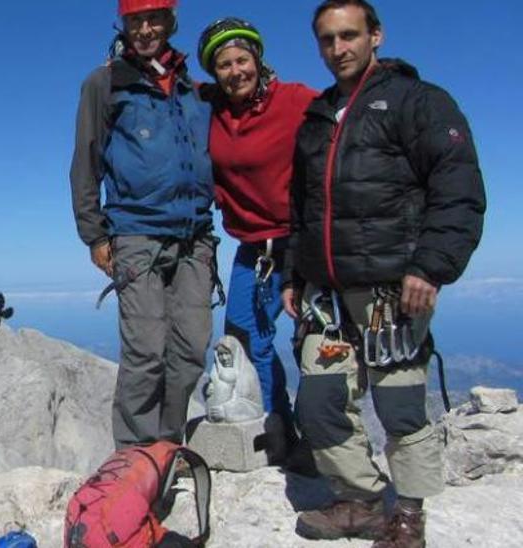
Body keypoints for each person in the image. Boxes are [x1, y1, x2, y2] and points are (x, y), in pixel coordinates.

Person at [281, 1, 486, 546]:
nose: (337, 49)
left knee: (399, 405)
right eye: (326, 39)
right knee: (320, 402)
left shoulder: (417, 103)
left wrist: (431, 267)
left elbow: (458, 190)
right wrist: (291, 275)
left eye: (349, 36)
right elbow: (302, 208)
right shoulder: (319, 117)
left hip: (391, 290)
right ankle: (360, 501)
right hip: (325, 288)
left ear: (376, 35)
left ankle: (409, 516)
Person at [70, 0, 218, 449]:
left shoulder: (193, 88)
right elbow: (86, 160)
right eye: (136, 20)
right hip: (136, 235)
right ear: (125, 24)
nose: (146, 28)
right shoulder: (106, 82)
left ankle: (168, 448)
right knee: (146, 353)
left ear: (170, 22)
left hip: (195, 237)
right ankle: (134, 458)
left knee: (191, 351)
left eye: (154, 18)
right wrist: (94, 233)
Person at [196, 18, 318, 453]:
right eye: (223, 64)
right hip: (254, 249)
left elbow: (345, 123)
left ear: (257, 59)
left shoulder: (295, 100)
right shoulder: (211, 109)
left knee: (319, 346)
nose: (235, 71)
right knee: (245, 345)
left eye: (241, 59)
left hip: (304, 241)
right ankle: (277, 432)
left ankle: (327, 442)